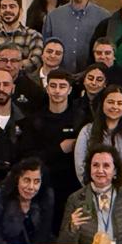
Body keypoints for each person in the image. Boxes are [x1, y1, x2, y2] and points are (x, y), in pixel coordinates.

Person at [24, 69, 83, 211]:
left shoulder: (80, 118)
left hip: (72, 185)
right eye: (53, 86)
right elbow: (27, 156)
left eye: (62, 87)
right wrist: (59, 149)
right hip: (42, 184)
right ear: (47, 88)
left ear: (69, 90)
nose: (57, 91)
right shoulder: (35, 120)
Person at [74, 86, 122, 196]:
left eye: (120, 103)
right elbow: (80, 166)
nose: (115, 106)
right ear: (102, 103)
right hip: (94, 194)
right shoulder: (87, 131)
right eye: (110, 102)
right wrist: (96, 192)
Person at [0, 157, 57, 244]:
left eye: (37, 181)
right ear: (17, 179)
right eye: (27, 180)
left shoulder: (46, 197)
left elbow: (44, 235)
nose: (31, 187)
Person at [43, 0, 109, 69]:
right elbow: (46, 46)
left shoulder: (103, 16)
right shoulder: (53, 17)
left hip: (91, 77)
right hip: (60, 77)